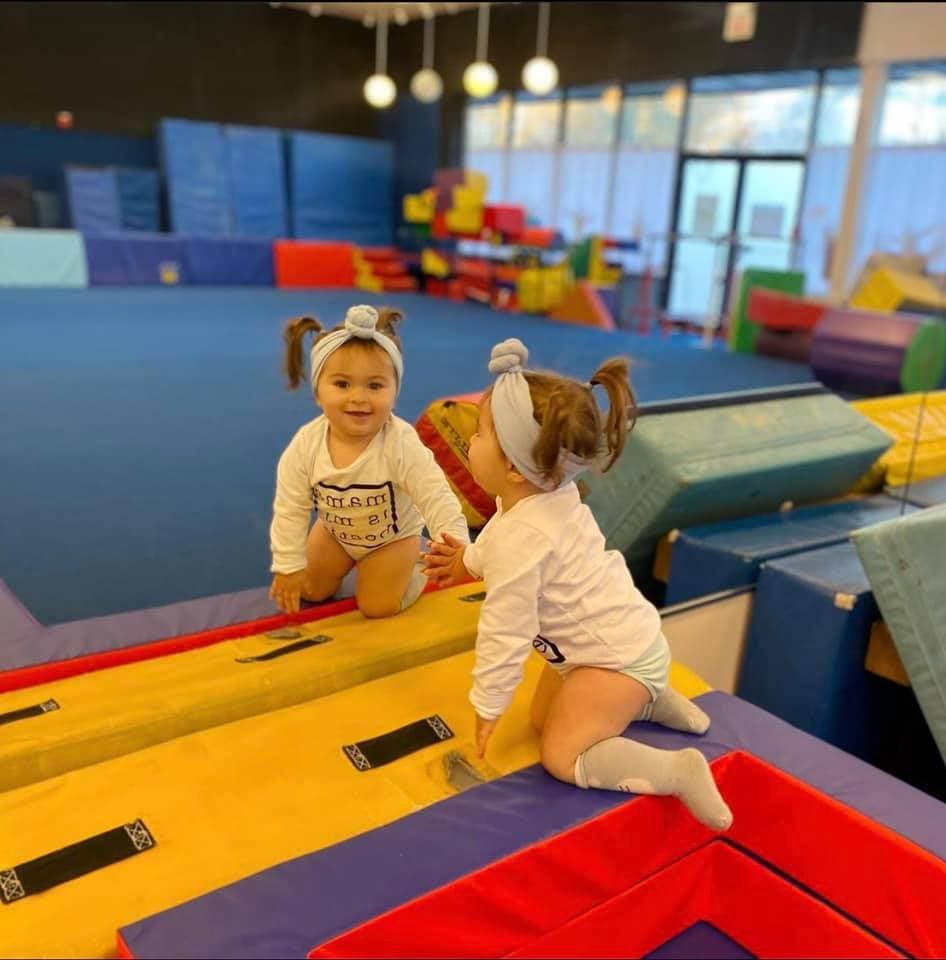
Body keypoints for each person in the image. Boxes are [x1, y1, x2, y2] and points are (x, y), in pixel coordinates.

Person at [423, 338, 732, 830]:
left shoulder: (525, 536)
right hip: (618, 645)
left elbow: (507, 629)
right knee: (545, 719)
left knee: (563, 753)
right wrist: (466, 558)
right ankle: (652, 698)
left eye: (479, 433)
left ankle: (676, 771)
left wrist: (488, 703)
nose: (470, 443)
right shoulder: (545, 496)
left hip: (615, 660)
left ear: (511, 467)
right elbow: (503, 543)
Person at [269, 304, 469, 619]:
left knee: (377, 607)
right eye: (342, 384)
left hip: (392, 539)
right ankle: (350, 564)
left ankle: (413, 570)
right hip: (335, 532)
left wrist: (456, 547)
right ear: (318, 393)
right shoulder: (307, 444)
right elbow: (290, 506)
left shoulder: (399, 441)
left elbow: (435, 494)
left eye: (375, 385)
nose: (359, 398)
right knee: (309, 589)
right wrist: (287, 563)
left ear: (394, 390)